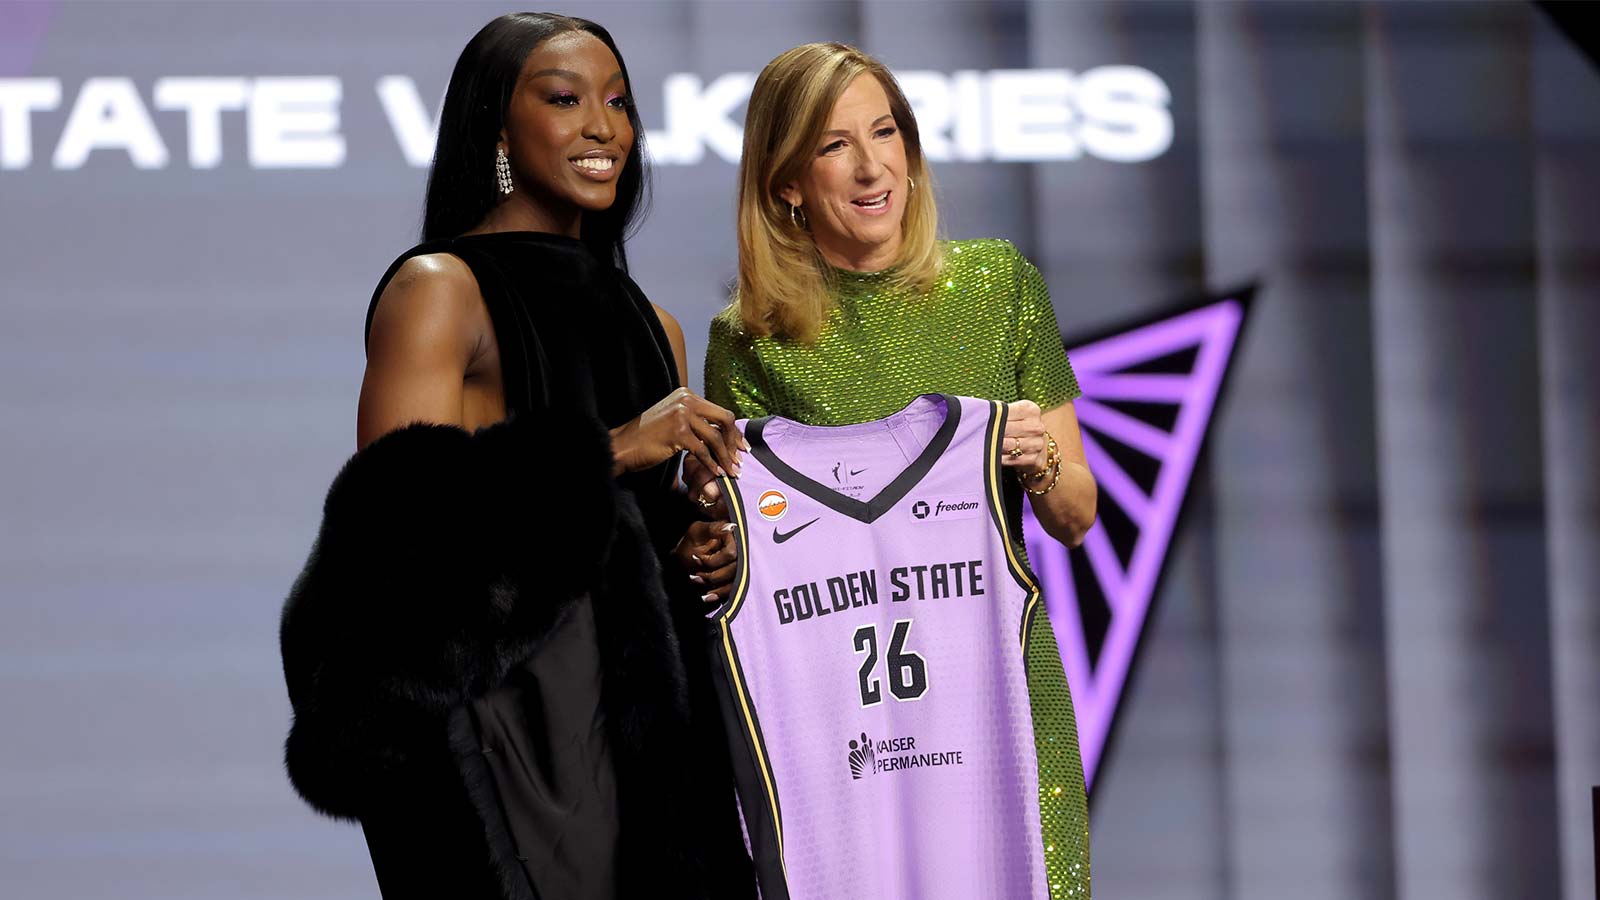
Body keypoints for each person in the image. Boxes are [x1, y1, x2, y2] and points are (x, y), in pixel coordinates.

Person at [278, 13, 753, 900]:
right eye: (566, 100)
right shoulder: (440, 289)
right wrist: (611, 450)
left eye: (618, 102)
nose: (604, 127)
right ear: (497, 128)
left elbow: (637, 546)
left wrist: (700, 543)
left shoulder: (657, 324)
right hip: (518, 737)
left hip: (659, 737)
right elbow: (394, 533)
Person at [695, 42, 1097, 897]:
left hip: (1000, 709)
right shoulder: (747, 339)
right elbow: (741, 539)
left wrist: (1038, 458)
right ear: (787, 182)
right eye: (835, 144)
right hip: (849, 731)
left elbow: (1075, 515)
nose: (873, 165)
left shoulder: (1000, 286)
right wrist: (712, 542)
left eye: (886, 133)